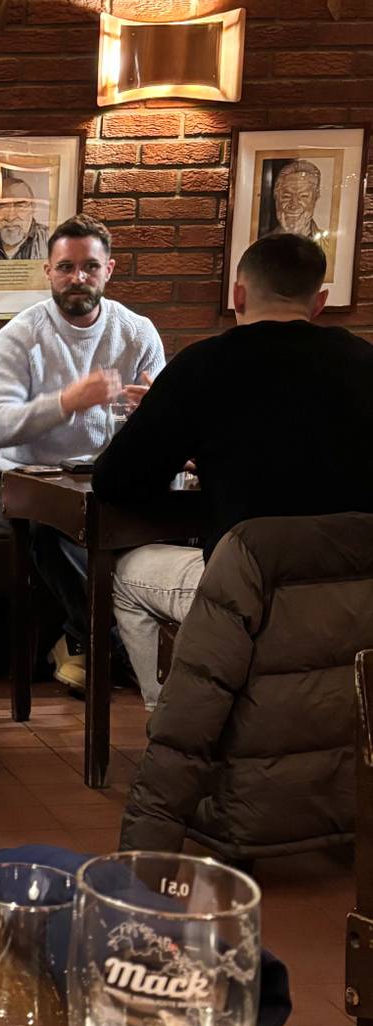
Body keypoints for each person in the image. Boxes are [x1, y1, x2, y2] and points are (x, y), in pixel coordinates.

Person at [95, 231, 373, 709]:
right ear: (320, 301)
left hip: (250, 591)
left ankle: (175, 725)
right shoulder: (366, 361)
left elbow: (116, 482)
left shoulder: (205, 365)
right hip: (357, 595)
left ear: (238, 294)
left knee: (125, 574)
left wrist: (210, 467)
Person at [0, 217, 165, 692]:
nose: (77, 277)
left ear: (109, 271)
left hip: (104, 479)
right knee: (47, 530)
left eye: (89, 267)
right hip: (25, 481)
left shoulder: (138, 333)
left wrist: (154, 413)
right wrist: (67, 401)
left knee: (159, 525)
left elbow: (165, 425)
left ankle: (79, 641)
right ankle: (120, 648)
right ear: (48, 272)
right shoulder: (20, 336)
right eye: (66, 267)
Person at [0, 178, 47, 261]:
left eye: (20, 206)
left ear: (32, 208)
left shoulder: (49, 239)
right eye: (2, 206)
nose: (11, 217)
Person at [267, 159, 321, 241]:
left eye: (303, 196)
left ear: (315, 198)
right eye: (286, 196)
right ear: (276, 197)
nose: (294, 205)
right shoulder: (262, 243)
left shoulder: (330, 244)